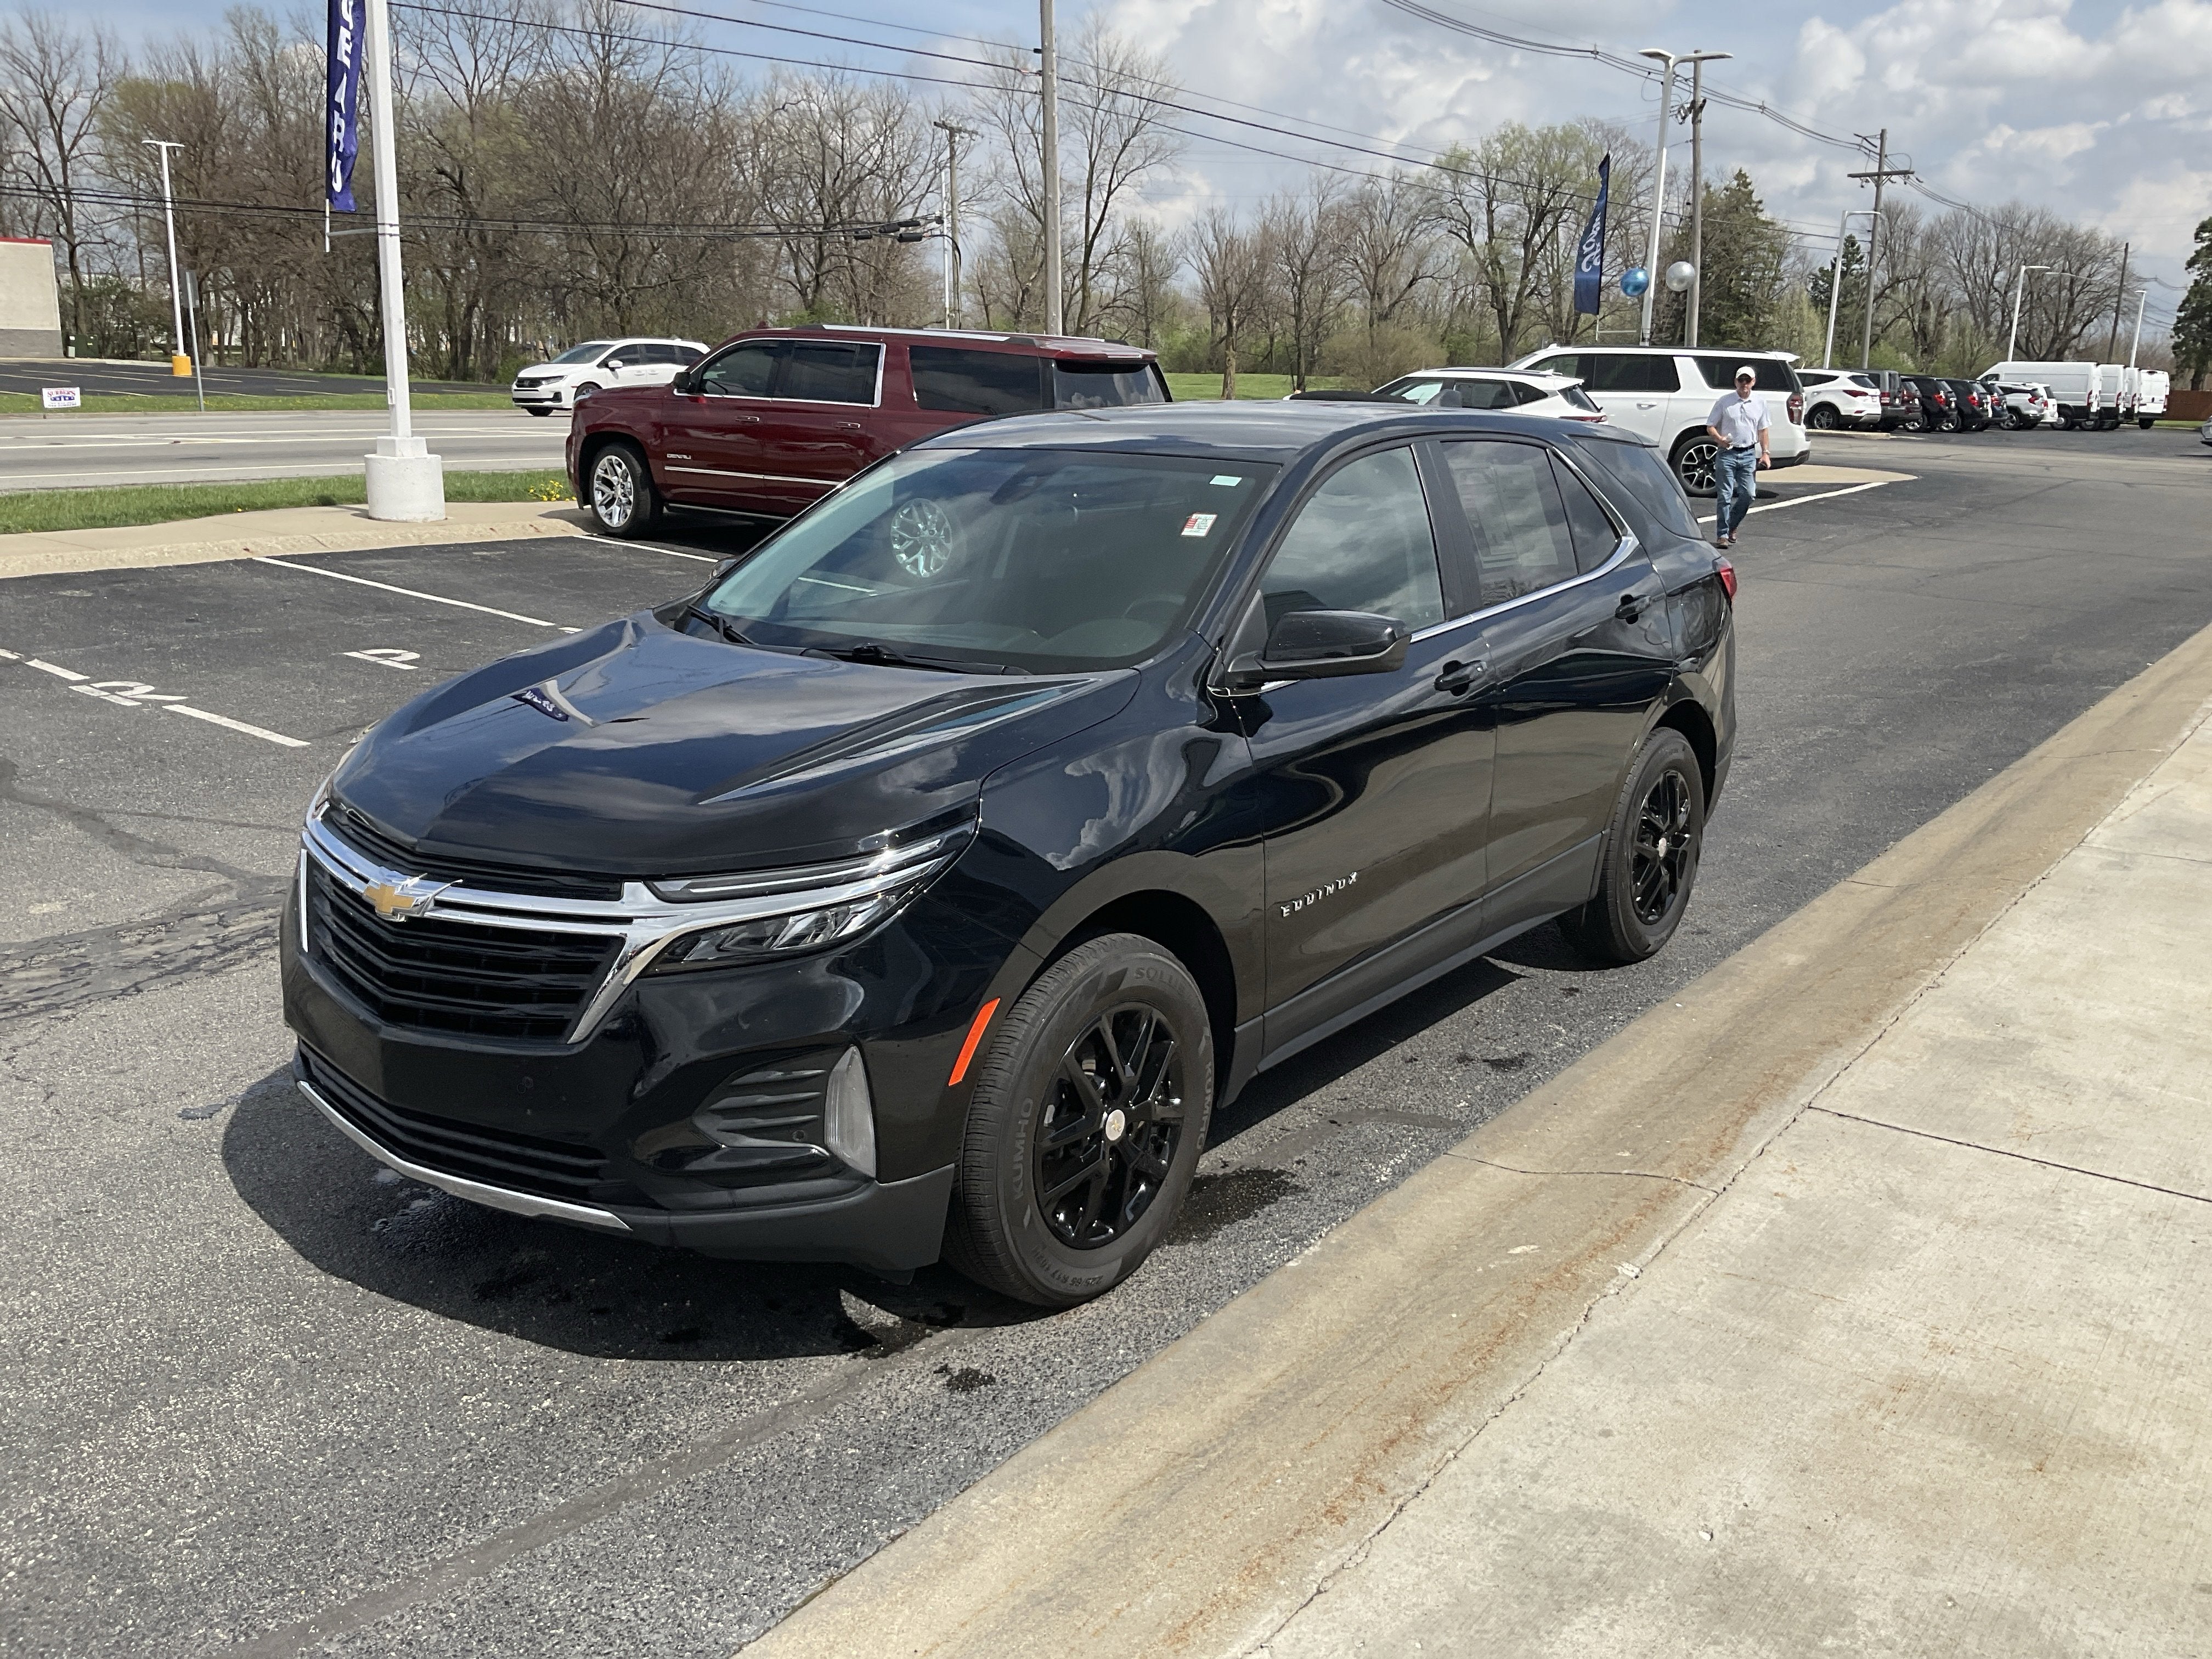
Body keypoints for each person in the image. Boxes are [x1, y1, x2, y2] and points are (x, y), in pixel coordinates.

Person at [1706, 366, 1771, 548]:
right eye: (1741, 381)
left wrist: (1766, 453)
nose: (1744, 384)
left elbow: (1763, 430)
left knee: (1749, 495)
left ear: (1753, 382)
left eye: (1747, 381)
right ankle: (1722, 535)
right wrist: (1719, 439)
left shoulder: (1760, 403)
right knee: (1725, 496)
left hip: (1749, 454)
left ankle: (1731, 525)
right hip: (1727, 454)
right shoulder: (1725, 402)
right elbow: (1710, 426)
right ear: (1735, 382)